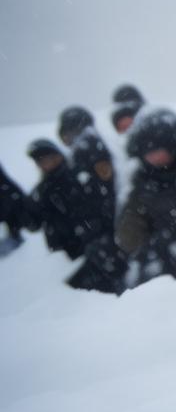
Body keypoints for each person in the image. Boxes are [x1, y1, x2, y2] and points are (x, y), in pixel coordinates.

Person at [116, 109, 176, 285]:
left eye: (158, 149)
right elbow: (129, 236)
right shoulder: (143, 184)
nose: (154, 157)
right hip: (159, 260)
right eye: (148, 151)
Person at [25, 139, 123, 292]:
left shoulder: (81, 175)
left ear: (59, 155)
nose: (46, 163)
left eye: (50, 157)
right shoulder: (40, 192)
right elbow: (31, 224)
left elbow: (106, 206)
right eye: (41, 161)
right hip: (66, 257)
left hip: (98, 247)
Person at [54, 106, 127, 291]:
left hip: (104, 230)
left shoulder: (88, 147)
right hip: (101, 229)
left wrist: (97, 228)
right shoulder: (91, 145)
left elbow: (102, 192)